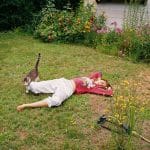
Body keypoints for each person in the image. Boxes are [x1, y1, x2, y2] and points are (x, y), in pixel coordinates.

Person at [17, 72, 113, 111]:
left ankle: (26, 105)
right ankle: (30, 85)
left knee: (56, 101)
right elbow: (98, 72)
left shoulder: (93, 87)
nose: (101, 83)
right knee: (35, 86)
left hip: (69, 88)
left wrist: (108, 88)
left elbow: (109, 93)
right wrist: (99, 78)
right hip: (65, 81)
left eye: (103, 85)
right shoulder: (92, 78)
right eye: (102, 81)